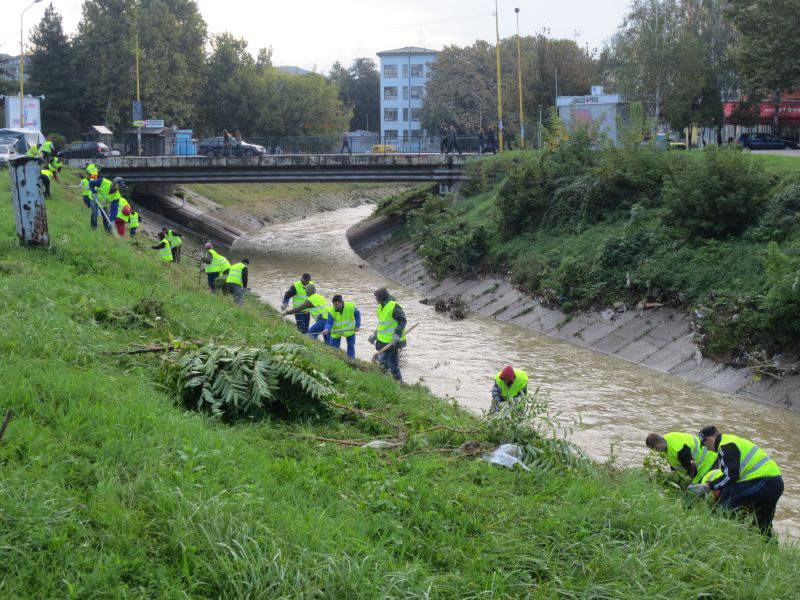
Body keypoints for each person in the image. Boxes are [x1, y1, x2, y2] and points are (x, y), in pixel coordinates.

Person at [694, 425, 784, 536]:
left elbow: (730, 477)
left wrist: (708, 486)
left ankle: (716, 533)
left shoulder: (725, 446)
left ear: (709, 439)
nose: (706, 448)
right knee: (763, 524)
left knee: (726, 496)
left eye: (704, 445)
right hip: (776, 482)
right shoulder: (731, 440)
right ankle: (770, 549)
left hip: (764, 481)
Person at [645, 432, 718, 484]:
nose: (656, 452)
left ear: (658, 447)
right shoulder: (666, 441)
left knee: (696, 491)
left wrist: (688, 483)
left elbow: (692, 469)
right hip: (701, 463)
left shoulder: (679, 449)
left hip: (710, 462)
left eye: (655, 450)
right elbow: (674, 462)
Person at [369, 287, 406, 380]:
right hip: (382, 341)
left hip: (392, 341)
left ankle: (399, 383)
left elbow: (403, 321)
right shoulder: (380, 307)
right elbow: (382, 324)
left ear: (381, 298)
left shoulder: (394, 306)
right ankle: (385, 381)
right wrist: (375, 334)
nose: (375, 299)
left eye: (376, 297)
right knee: (384, 363)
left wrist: (397, 334)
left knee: (392, 364)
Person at [324, 294, 361, 359]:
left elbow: (357, 315)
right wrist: (327, 329)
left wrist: (357, 325)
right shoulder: (331, 310)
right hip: (336, 331)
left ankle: (351, 360)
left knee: (351, 346)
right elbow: (329, 322)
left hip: (350, 330)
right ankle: (334, 360)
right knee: (333, 348)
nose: (334, 306)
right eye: (333, 304)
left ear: (341, 302)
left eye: (336, 304)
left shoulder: (350, 306)